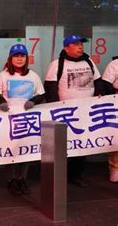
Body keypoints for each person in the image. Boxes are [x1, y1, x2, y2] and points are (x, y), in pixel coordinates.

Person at [44, 35, 103, 187]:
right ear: (66, 48)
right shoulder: (57, 64)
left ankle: (76, 175)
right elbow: (50, 87)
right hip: (66, 114)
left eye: (81, 44)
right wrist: (55, 109)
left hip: (86, 112)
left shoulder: (89, 62)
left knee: (81, 144)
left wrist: (99, 94)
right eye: (75, 44)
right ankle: (60, 176)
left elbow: (98, 81)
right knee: (64, 145)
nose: (80, 47)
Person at [0, 44, 45, 195]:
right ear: (10, 58)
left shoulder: (33, 76)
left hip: (28, 120)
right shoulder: (3, 75)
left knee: (26, 149)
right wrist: (0, 102)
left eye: (22, 56)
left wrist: (33, 101)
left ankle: (22, 179)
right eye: (16, 56)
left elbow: (41, 94)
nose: (19, 59)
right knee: (11, 149)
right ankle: (11, 180)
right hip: (9, 119)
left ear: (26, 58)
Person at [102, 56, 118, 182]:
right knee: (116, 137)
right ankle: (115, 169)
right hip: (116, 104)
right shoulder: (115, 64)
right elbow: (106, 85)